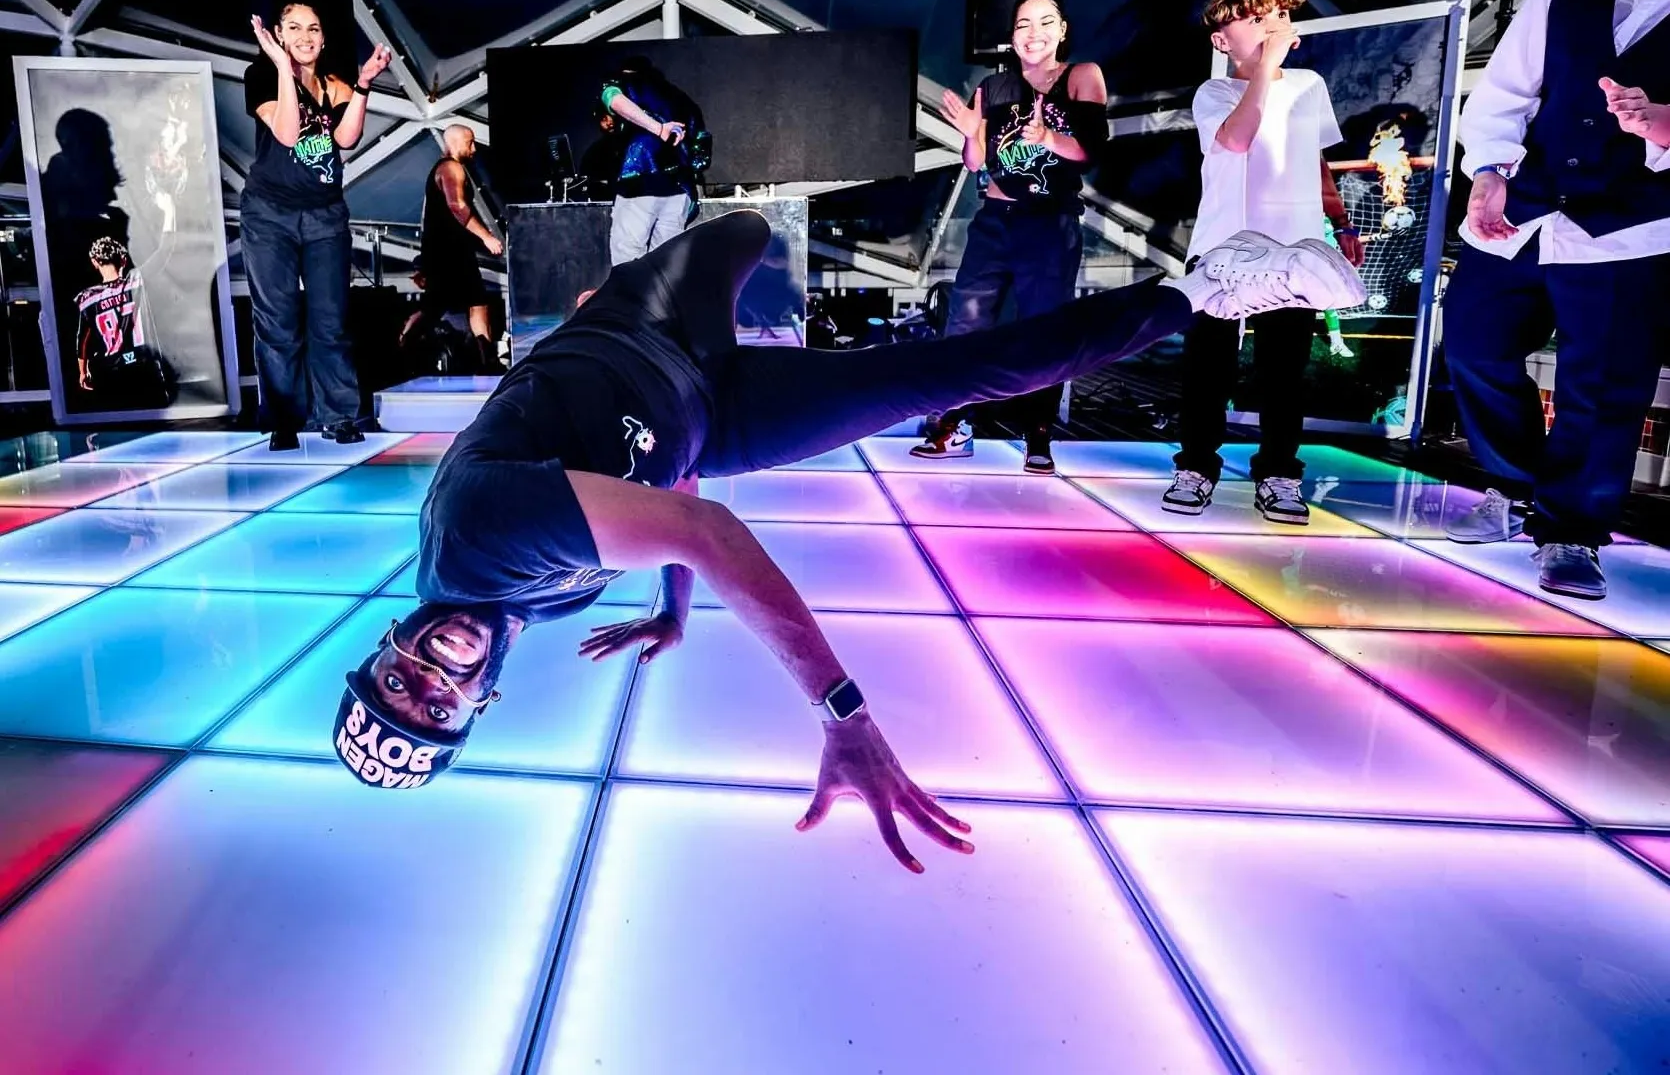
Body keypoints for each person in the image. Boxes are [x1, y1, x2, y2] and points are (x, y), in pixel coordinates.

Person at [328, 210, 1366, 869]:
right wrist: (670, 605)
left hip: (646, 324)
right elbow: (666, 500)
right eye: (434, 710)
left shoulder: (478, 536)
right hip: (709, 415)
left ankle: (685, 228)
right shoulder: (518, 607)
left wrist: (841, 710)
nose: (425, 682)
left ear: (381, 650)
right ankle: (1206, 287)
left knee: (738, 231)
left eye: (394, 686)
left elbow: (700, 527)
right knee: (955, 376)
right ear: (479, 706)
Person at [1442, 0, 1670, 600]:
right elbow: (1505, 92)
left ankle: (1572, 530)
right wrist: (1489, 173)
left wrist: (1663, 128)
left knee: (1602, 387)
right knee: (1473, 340)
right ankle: (1514, 486)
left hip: (1632, 226)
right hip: (1525, 208)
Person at [1161, 0, 1366, 526]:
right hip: (1223, 246)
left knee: (1284, 369)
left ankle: (1278, 473)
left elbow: (1319, 159)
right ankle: (1196, 467)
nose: (1268, 25)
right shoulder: (1215, 93)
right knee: (1209, 365)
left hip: (1294, 246)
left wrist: (1340, 222)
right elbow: (1236, 138)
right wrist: (1266, 72)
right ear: (1221, 40)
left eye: (1274, 15)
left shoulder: (1309, 85)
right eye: (1252, 19)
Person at [912, 0, 1109, 474]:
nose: (1034, 33)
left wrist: (1047, 138)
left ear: (1062, 30)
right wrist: (970, 134)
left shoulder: (1082, 76)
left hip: (1049, 224)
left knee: (1044, 329)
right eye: (1023, 24)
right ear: (1011, 36)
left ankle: (1037, 433)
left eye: (1045, 22)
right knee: (965, 322)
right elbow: (977, 163)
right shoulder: (996, 87)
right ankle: (956, 424)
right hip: (994, 220)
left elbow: (1090, 149)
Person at [244, 6, 390, 450]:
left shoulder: (335, 84)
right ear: (280, 36)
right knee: (278, 320)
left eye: (314, 27)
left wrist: (364, 83)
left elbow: (346, 139)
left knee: (331, 320)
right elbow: (288, 134)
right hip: (270, 214)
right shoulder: (262, 75)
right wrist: (282, 68)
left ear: (323, 39)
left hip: (325, 215)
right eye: (294, 28)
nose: (305, 35)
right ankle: (284, 420)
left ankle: (339, 415)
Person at [403, 125, 504, 374]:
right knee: (448, 306)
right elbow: (457, 206)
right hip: (449, 253)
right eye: (470, 142)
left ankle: (487, 362)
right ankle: (403, 347)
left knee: (468, 303)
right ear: (457, 142)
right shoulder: (451, 168)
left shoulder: (443, 169)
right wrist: (487, 237)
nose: (474, 148)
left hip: (447, 251)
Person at [599, 56, 707, 265]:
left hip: (639, 180)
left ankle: (631, 298)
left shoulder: (622, 84)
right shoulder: (680, 97)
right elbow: (701, 148)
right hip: (679, 188)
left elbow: (614, 99)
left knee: (628, 255)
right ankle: (662, 298)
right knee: (667, 261)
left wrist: (658, 129)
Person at [73, 237, 172, 409]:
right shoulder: (136, 281)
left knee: (120, 428)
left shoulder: (88, 298)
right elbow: (164, 252)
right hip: (145, 366)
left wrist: (83, 371)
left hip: (112, 372)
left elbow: (83, 341)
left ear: (95, 263)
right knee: (158, 424)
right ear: (124, 260)